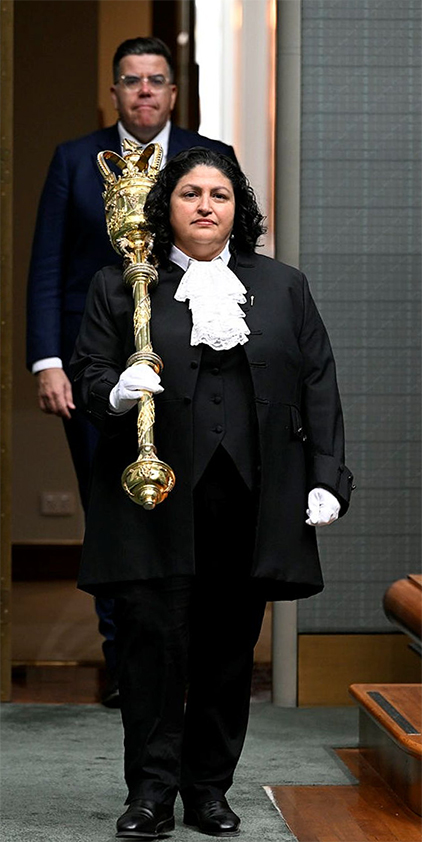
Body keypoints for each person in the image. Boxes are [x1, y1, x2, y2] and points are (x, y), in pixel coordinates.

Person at [70, 147, 354, 839]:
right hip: (154, 499)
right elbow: (89, 373)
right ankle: (150, 794)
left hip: (250, 500)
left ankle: (208, 791)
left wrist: (326, 477)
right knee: (152, 646)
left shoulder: (283, 286)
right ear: (165, 206)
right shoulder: (121, 284)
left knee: (228, 651)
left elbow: (318, 383)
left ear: (237, 209)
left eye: (219, 195)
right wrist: (117, 390)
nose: (205, 205)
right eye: (190, 193)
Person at [26, 37, 237, 706]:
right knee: (110, 510)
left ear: (173, 92)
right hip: (92, 363)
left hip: (191, 360)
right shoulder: (74, 160)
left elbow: (239, 259)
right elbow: (48, 262)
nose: (144, 90)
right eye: (131, 80)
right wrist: (48, 361)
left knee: (189, 501)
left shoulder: (211, 158)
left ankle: (184, 658)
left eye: (155, 80)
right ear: (114, 91)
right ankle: (125, 663)